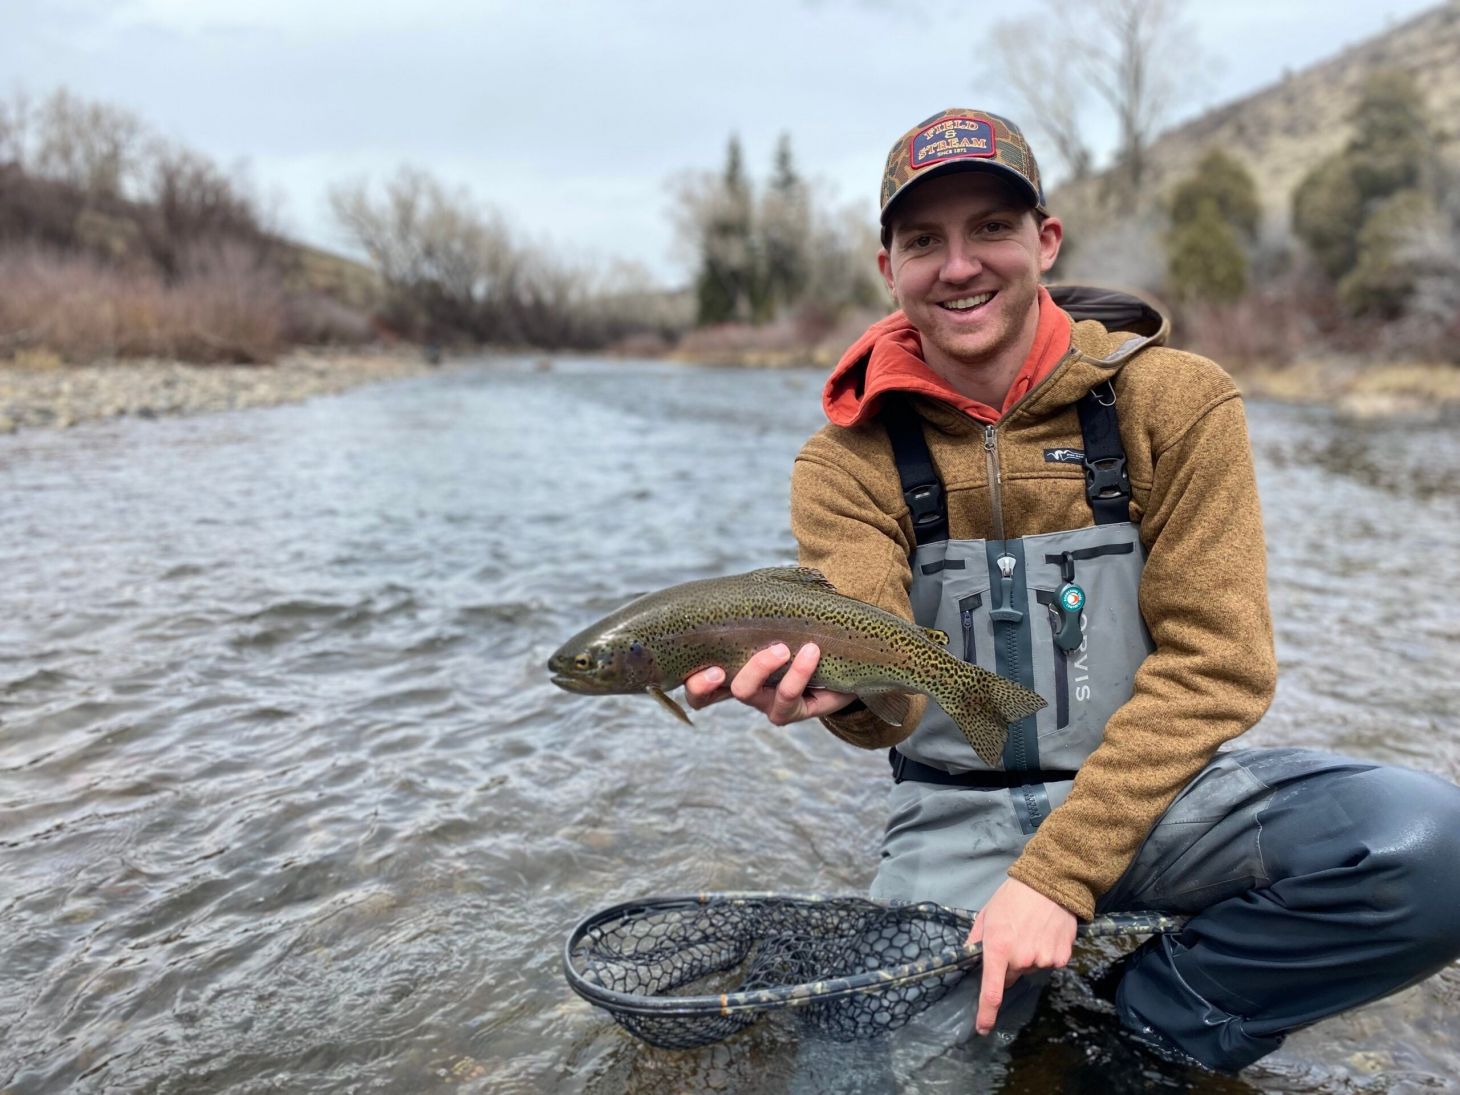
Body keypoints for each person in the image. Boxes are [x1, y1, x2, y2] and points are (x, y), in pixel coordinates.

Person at [682, 108, 1460, 1072]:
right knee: (855, 1075)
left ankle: (1153, 1017)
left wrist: (1055, 877)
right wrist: (837, 695)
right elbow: (886, 690)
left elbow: (1219, 667)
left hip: (1161, 795)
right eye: (923, 241)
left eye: (990, 228)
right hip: (954, 814)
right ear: (889, 268)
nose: (958, 265)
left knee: (1430, 849)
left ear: (1045, 240)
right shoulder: (845, 460)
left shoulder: (1177, 401)